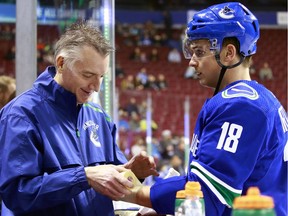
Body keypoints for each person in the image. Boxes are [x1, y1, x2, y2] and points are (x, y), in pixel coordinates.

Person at [120, 2, 287, 216]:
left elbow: (206, 197)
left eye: (199, 52)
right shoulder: (259, 98)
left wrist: (136, 193)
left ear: (229, 53)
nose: (192, 62)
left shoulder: (241, 106)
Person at [0, 20, 158, 216]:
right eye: (88, 75)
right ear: (61, 63)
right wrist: (84, 177)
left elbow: (114, 183)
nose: (96, 86)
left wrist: (133, 173)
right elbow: (17, 194)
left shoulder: (99, 118)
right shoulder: (21, 115)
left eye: (101, 77)